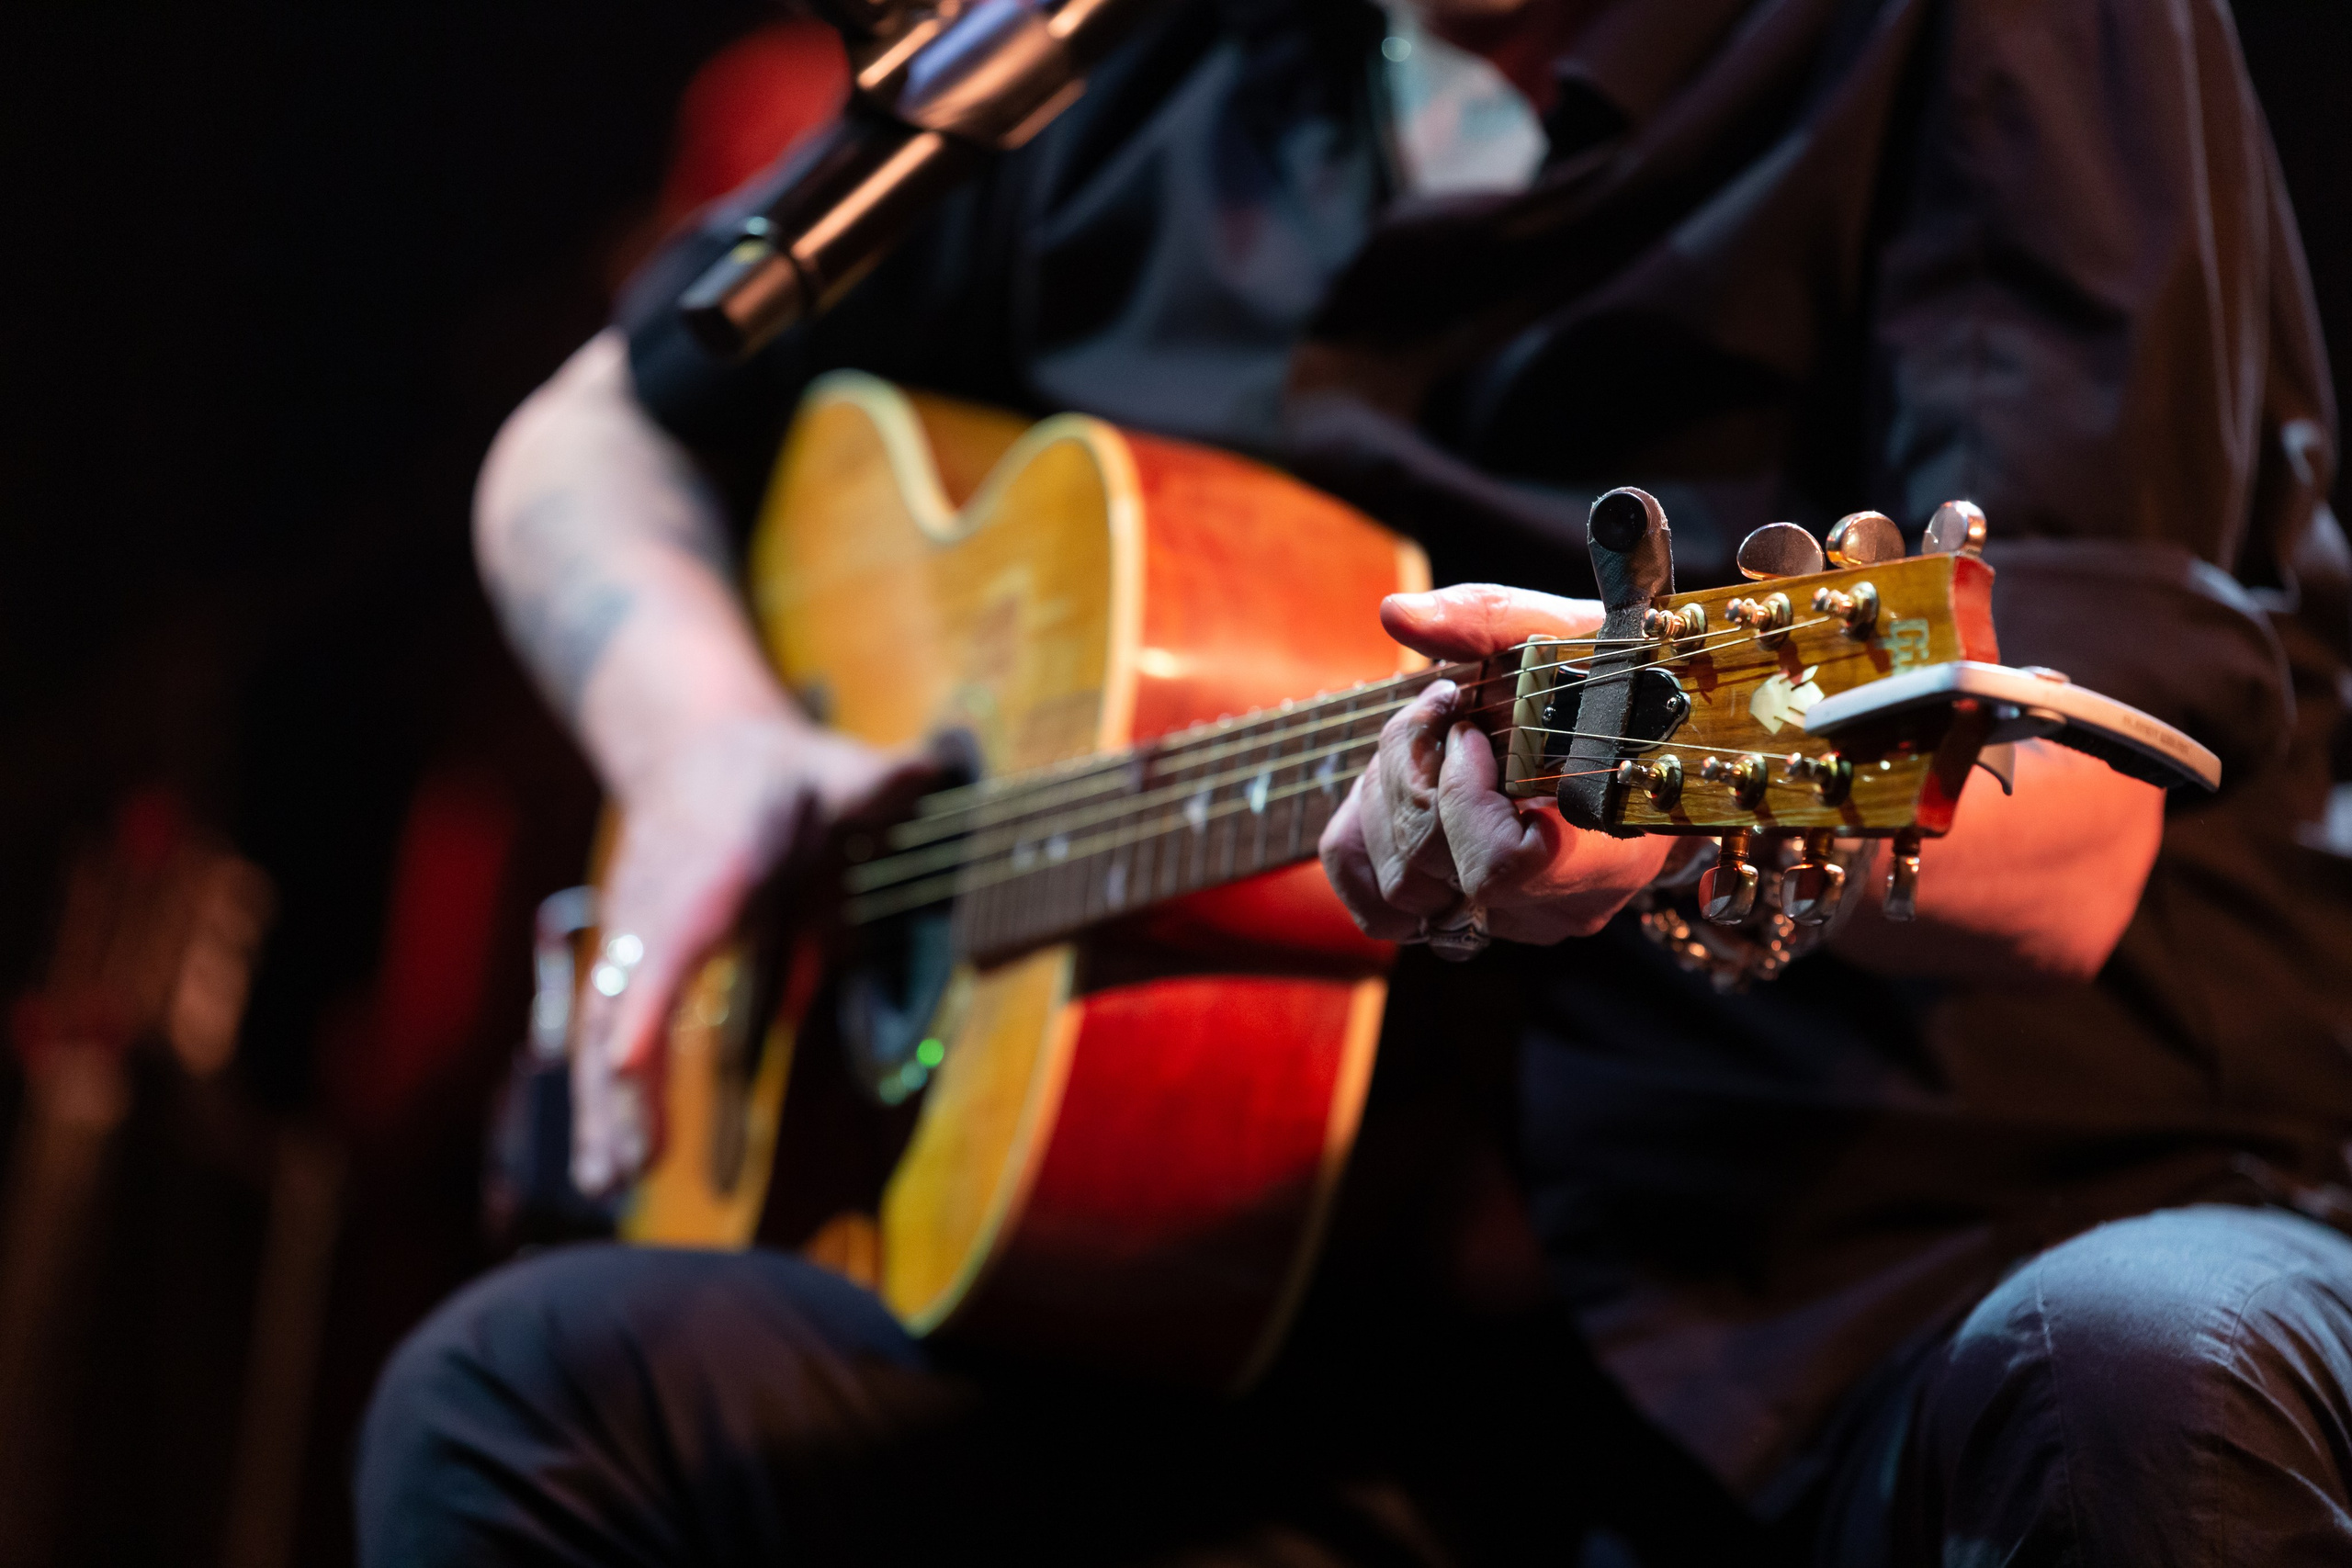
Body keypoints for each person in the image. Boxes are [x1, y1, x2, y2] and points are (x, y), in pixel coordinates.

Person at [359, 0, 2352, 1562]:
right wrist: (704, 738)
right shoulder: (1120, 59)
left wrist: (1654, 789)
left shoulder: (1979, 27)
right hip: (1292, 1324)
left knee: (2138, 1375)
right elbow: (592, 437)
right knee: (524, 1397)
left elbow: (2073, 801)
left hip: (1908, 1288)